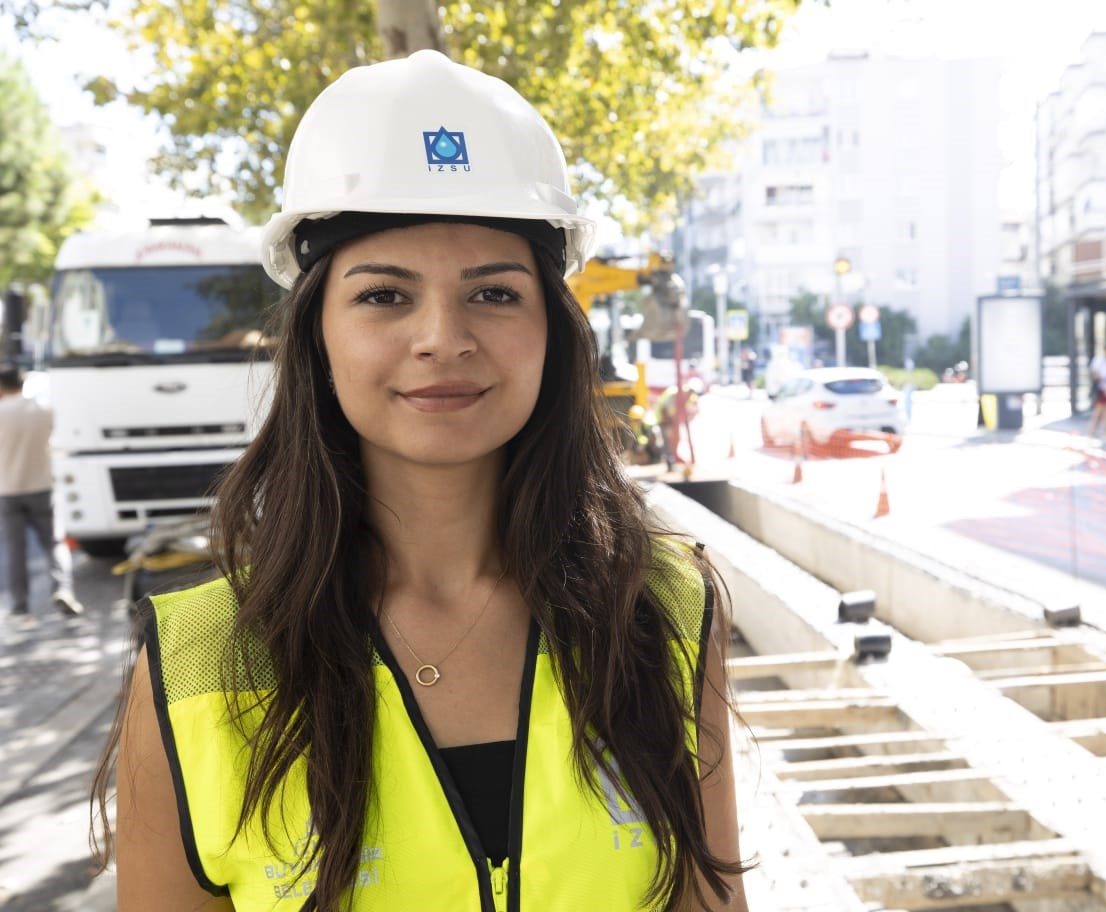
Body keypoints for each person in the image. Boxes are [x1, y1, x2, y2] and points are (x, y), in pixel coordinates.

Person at [92, 51, 748, 912]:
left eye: (495, 294)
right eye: (384, 297)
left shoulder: (661, 608)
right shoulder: (199, 661)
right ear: (316, 335)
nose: (443, 337)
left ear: (551, 329)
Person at [0, 364, 82, 622]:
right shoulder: (43, 409)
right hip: (42, 486)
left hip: (8, 489)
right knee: (54, 542)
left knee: (15, 548)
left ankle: (19, 603)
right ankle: (63, 590)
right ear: (21, 383)